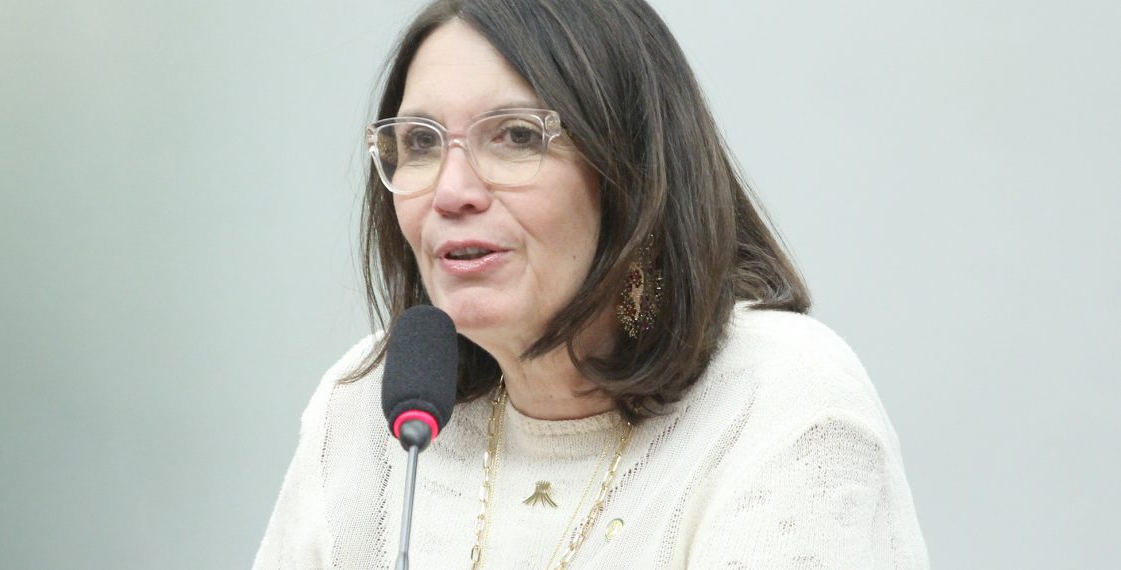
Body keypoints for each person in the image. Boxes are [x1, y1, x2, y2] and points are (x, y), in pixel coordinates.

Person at [254, 0, 929, 568]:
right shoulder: (369, 409)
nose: (451, 191)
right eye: (422, 143)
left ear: (628, 173)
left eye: (515, 136)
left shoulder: (778, 402)